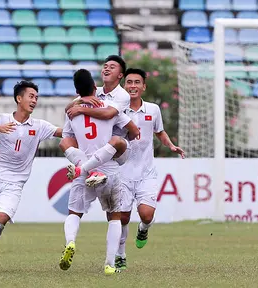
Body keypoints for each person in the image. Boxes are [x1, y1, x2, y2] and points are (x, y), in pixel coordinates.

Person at [0, 81, 62, 270]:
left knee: (1, 219)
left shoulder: (39, 126)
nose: (34, 101)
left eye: (36, 98)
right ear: (19, 98)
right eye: (31, 96)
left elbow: (61, 132)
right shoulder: (0, 119)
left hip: (16, 182)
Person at [59, 69, 136, 275]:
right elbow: (134, 130)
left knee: (74, 213)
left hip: (81, 169)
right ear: (95, 88)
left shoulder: (72, 112)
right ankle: (110, 264)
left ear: (76, 91)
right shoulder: (108, 106)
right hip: (108, 167)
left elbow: (67, 139)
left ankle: (71, 242)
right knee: (114, 217)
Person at [114, 68, 185, 270]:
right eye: (129, 82)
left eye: (137, 82)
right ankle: (120, 255)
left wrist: (170, 145)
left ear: (144, 86)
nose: (133, 86)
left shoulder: (153, 109)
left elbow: (159, 131)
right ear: (124, 86)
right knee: (123, 217)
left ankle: (143, 229)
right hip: (122, 173)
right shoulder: (116, 110)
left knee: (146, 215)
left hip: (146, 172)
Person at [60, 55, 135, 186]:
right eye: (105, 66)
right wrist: (81, 100)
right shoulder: (96, 91)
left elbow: (108, 114)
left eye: (112, 67)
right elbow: (69, 108)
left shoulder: (122, 95)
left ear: (120, 75)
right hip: (95, 145)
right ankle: (92, 172)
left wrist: (81, 109)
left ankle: (82, 169)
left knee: (115, 140)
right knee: (64, 142)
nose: (106, 69)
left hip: (116, 148)